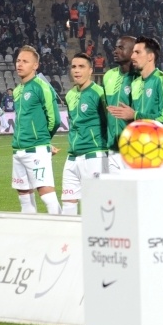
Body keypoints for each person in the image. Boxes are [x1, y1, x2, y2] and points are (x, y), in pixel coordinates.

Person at [11, 45, 62, 214]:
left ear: (35, 65)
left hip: (36, 149)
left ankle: (63, 227)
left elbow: (54, 119)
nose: (20, 64)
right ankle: (30, 228)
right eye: (18, 60)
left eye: (25, 61)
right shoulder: (17, 90)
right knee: (24, 197)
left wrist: (43, 140)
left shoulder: (41, 86)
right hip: (18, 150)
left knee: (46, 194)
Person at [61, 54, 110, 215]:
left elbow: (109, 123)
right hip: (72, 157)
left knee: (95, 207)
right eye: (74, 67)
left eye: (81, 67)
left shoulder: (99, 93)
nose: (76, 70)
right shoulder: (70, 95)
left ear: (90, 70)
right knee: (68, 204)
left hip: (94, 156)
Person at [107, 36, 163, 131]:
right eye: (133, 52)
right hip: (138, 138)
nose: (132, 56)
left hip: (157, 138)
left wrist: (135, 115)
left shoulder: (161, 80)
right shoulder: (135, 83)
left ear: (150, 56)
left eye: (137, 52)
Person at [103, 35, 137, 170]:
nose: (115, 51)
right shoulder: (108, 76)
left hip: (135, 148)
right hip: (113, 150)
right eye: (115, 48)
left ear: (133, 51)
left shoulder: (140, 77)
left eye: (121, 48)